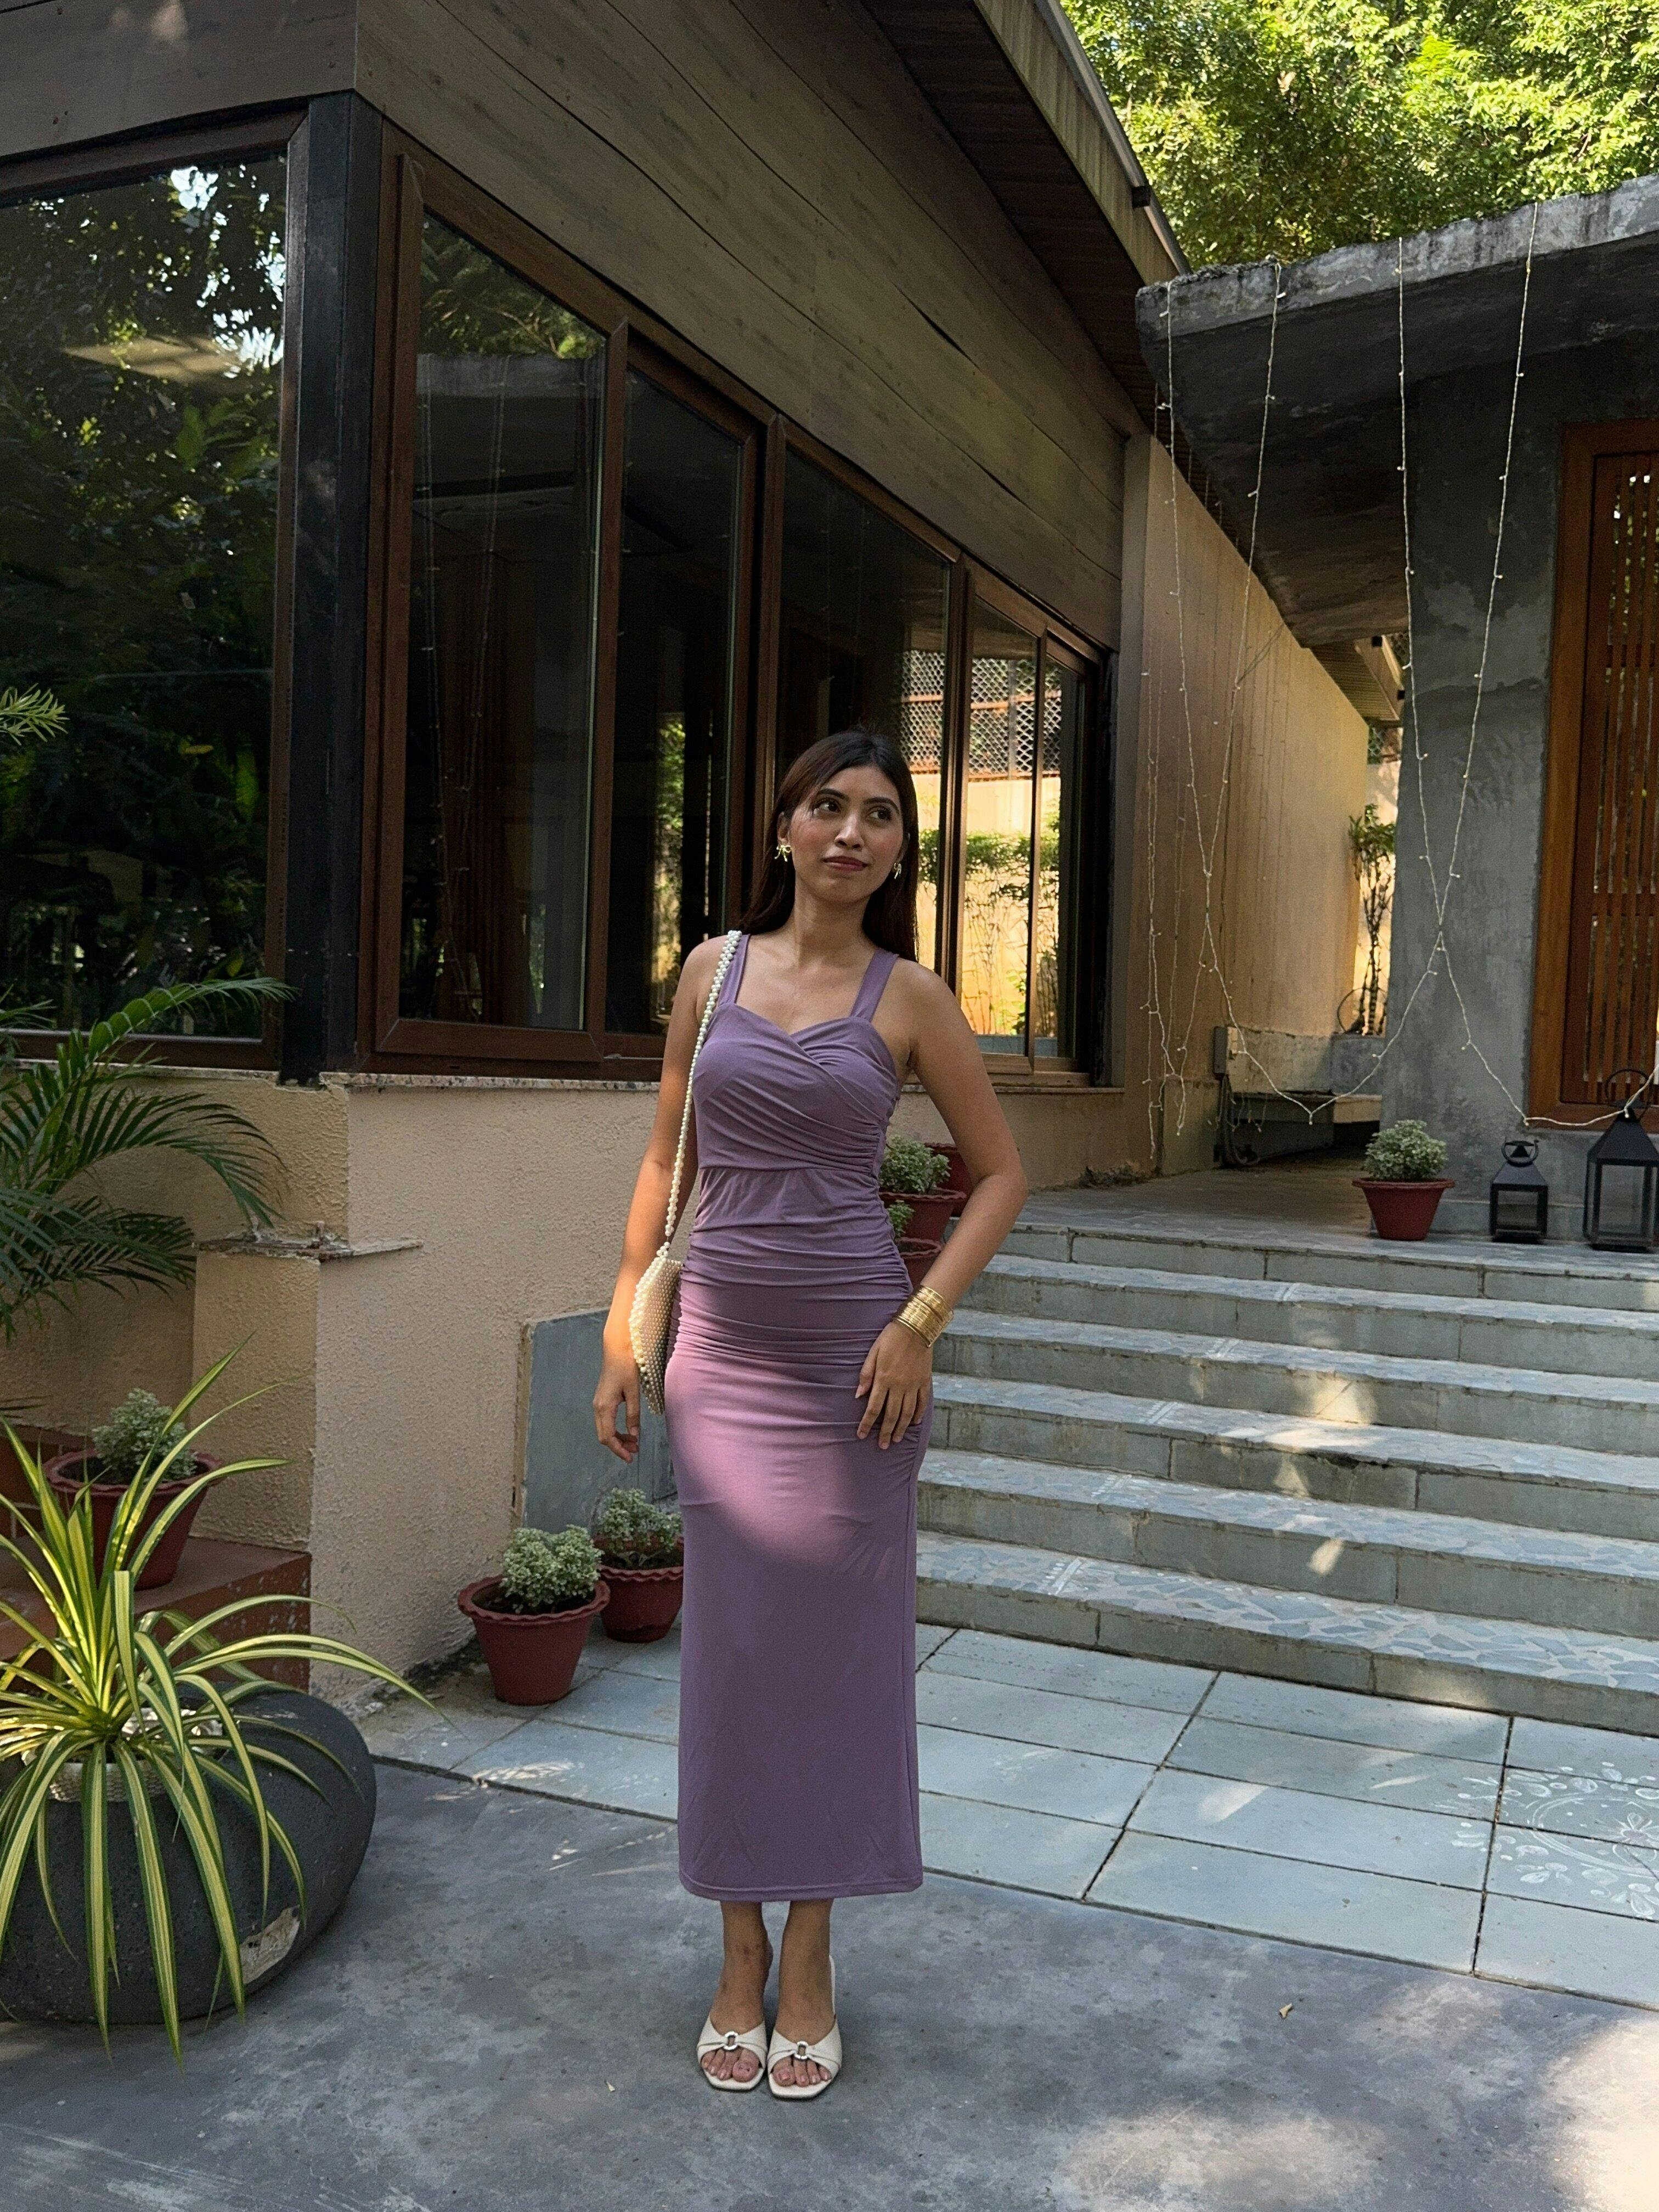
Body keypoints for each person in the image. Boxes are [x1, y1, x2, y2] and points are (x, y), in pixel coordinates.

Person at [594, 727, 1028, 2100]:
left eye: (880, 815)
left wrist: (920, 1321)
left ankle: (814, 1955)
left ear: (901, 851)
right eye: (827, 806)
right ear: (785, 825)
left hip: (857, 1368)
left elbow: (1002, 1175)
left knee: (842, 1665)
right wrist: (621, 1319)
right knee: (732, 1659)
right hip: (723, 1357)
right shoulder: (709, 972)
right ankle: (738, 1950)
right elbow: (668, 1154)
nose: (851, 832)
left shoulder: (913, 997)